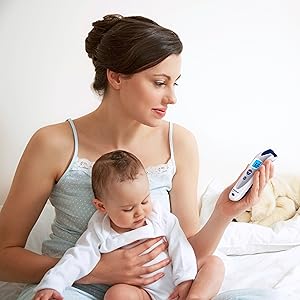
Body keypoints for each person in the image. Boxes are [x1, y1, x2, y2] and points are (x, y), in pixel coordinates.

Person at [0, 13, 284, 300]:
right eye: (160, 82)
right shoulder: (53, 143)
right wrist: (97, 270)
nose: (171, 97)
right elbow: (3, 258)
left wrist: (224, 213)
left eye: (175, 83)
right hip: (70, 289)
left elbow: (186, 253)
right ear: (116, 77)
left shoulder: (179, 143)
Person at [33, 150, 224, 300]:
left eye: (144, 201)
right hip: (144, 292)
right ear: (101, 206)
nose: (140, 212)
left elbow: (180, 246)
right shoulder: (100, 230)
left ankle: (196, 297)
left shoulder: (159, 216)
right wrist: (53, 284)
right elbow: (76, 258)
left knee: (213, 262)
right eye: (127, 209)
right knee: (116, 295)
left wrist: (185, 279)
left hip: (178, 277)